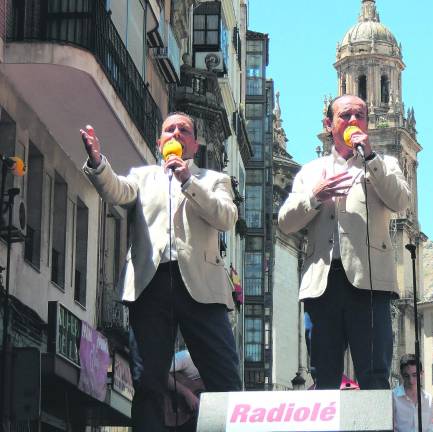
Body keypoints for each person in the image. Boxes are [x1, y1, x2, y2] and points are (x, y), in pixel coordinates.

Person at [80, 113, 241, 431]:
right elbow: (115, 190)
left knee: (224, 376)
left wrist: (188, 181)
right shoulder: (143, 177)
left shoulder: (213, 180)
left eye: (185, 130)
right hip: (150, 286)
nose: (177, 134)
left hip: (202, 289)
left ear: (194, 143)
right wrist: (98, 161)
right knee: (148, 381)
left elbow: (226, 217)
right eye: (170, 130)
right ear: (159, 142)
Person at [278, 94, 410, 389]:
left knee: (375, 374)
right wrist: (315, 196)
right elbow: (286, 222)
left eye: (359, 116)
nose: (353, 121)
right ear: (329, 124)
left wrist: (372, 160)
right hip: (322, 283)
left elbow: (400, 200)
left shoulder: (384, 163)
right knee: (323, 374)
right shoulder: (310, 172)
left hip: (370, 283)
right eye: (345, 116)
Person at [392, 354, 433, 432]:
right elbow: (391, 428)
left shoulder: (428, 399)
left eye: (414, 375)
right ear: (401, 375)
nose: (411, 380)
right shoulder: (393, 397)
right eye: (406, 376)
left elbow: (430, 426)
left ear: (421, 374)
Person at [165, 349, 205, 432]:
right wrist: (187, 393)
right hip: (166, 407)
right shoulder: (186, 357)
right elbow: (159, 374)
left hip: (188, 422)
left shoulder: (214, 378)